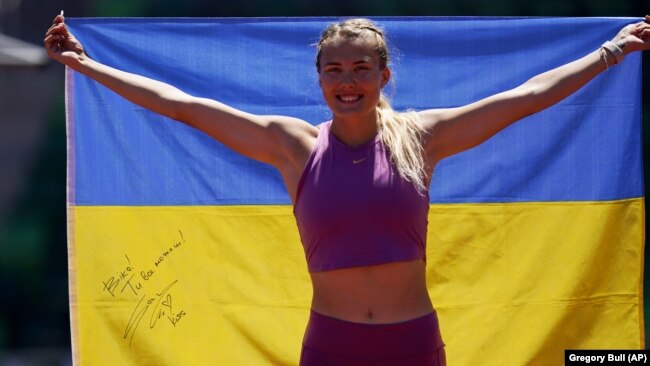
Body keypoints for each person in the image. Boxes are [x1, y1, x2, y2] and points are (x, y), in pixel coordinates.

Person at [45, 14, 650, 366]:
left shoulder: (423, 137)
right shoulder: (293, 146)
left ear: (384, 76)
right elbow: (181, 107)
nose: (348, 80)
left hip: (413, 342)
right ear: (319, 80)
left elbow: (525, 100)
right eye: (334, 69)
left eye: (361, 68)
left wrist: (611, 51)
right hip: (332, 344)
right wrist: (84, 63)